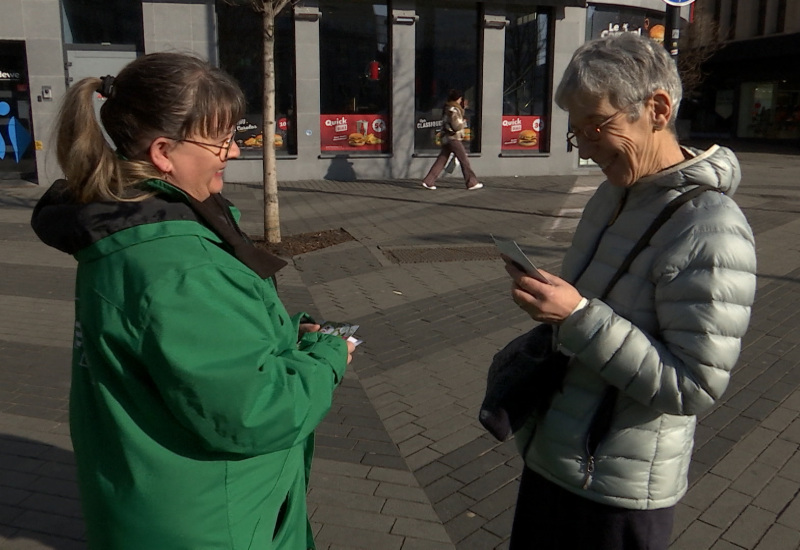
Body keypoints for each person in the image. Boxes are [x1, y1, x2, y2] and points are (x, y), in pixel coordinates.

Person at [30, 52, 355, 550]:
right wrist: (329, 354)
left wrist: (287, 335)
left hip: (153, 499)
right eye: (222, 140)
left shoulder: (129, 229)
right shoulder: (179, 264)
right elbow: (256, 412)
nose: (234, 152)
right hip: (211, 520)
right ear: (164, 151)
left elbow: (182, 352)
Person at [501, 33, 756, 549]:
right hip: (553, 457)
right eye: (578, 134)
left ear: (657, 108)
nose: (588, 150)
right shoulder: (612, 193)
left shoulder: (712, 228)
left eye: (596, 127)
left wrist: (575, 316)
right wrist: (556, 303)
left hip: (614, 491)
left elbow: (694, 386)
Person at [422, 89, 483, 190]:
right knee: (464, 160)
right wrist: (463, 122)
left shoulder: (448, 107)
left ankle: (429, 181)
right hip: (453, 138)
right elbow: (456, 126)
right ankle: (471, 182)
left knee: (442, 160)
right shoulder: (453, 109)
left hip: (447, 137)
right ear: (458, 98)